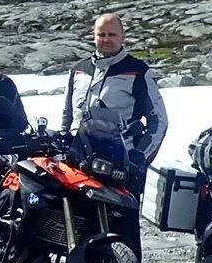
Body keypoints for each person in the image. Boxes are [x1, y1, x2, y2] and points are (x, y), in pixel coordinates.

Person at [63, 12, 168, 172]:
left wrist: (140, 156)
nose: (106, 39)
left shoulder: (138, 71)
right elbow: (67, 114)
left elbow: (159, 120)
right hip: (79, 159)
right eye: (101, 34)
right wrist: (63, 139)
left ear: (122, 37)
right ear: (94, 36)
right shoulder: (78, 70)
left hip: (120, 164)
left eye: (111, 35)